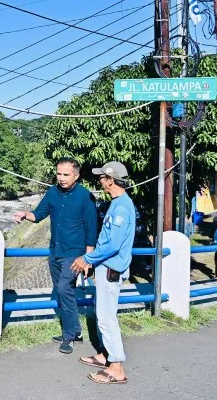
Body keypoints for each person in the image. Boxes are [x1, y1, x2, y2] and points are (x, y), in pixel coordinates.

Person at [13, 157, 97, 354]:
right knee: (63, 293)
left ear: (76, 175)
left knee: (63, 288)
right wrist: (25, 214)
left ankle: (68, 337)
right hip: (55, 252)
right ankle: (75, 330)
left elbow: (91, 229)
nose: (61, 178)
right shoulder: (52, 192)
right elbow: (39, 214)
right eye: (59, 174)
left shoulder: (85, 196)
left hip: (75, 255)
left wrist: (88, 259)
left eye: (66, 174)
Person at [71, 161, 135, 385]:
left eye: (102, 177)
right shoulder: (118, 204)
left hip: (110, 269)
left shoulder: (121, 207)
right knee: (102, 315)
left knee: (107, 318)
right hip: (106, 268)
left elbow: (112, 245)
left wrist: (86, 259)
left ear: (110, 179)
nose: (99, 181)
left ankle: (116, 368)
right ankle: (105, 355)